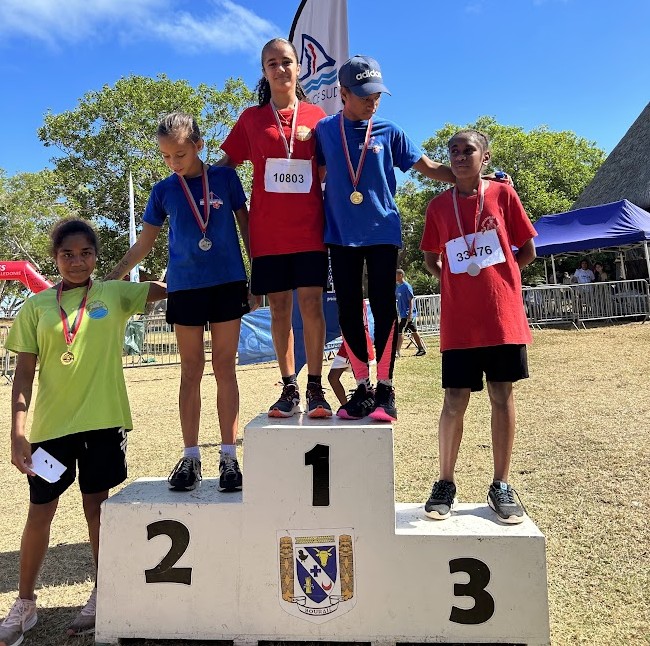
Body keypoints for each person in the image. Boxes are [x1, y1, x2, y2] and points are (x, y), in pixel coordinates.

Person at [0, 218, 166, 644]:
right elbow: (23, 377)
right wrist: (17, 433)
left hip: (103, 425)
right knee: (41, 511)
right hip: (51, 430)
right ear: (55, 258)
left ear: (96, 256)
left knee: (98, 509)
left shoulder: (114, 293)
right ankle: (25, 603)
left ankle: (102, 591)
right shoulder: (36, 307)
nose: (77, 262)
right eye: (67, 254)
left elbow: (167, 291)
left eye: (85, 253)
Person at [106, 112, 251, 493]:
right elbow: (144, 244)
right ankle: (190, 456)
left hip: (228, 281)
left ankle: (229, 458)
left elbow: (246, 226)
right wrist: (111, 278)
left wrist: (259, 274)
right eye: (166, 156)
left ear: (199, 146)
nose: (173, 163)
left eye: (180, 155)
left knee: (225, 367)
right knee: (190, 370)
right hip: (184, 287)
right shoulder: (163, 191)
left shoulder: (225, 178)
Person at [315, 55, 458, 422]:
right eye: (365, 95)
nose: (373, 102)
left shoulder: (390, 131)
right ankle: (361, 388)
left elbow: (429, 168)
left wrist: (473, 176)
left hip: (382, 232)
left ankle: (386, 388)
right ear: (343, 93)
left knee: (383, 307)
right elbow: (310, 175)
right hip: (340, 235)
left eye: (377, 95)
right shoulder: (325, 131)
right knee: (348, 309)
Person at [419, 129, 537, 524]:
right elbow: (431, 259)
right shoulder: (438, 206)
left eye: (468, 150)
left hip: (502, 318)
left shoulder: (503, 194)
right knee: (454, 401)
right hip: (459, 321)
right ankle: (445, 483)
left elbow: (527, 249)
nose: (459, 156)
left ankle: (501, 484)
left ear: (484, 158)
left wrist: (501, 280)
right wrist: (456, 282)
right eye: (453, 150)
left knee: (502, 396)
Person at [219, 37, 332, 420]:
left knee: (312, 305)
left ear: (298, 67)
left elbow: (331, 167)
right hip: (268, 234)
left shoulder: (317, 116)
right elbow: (226, 165)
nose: (280, 69)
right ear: (264, 72)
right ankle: (288, 387)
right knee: (279, 308)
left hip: (310, 230)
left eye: (286, 61)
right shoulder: (252, 119)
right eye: (272, 63)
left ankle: (315, 387)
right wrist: (195, 181)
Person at [328, 302, 376, 405]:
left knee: (363, 382)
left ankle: (370, 403)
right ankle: (346, 406)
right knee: (332, 377)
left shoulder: (355, 299)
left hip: (358, 340)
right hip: (348, 341)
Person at [395, 269, 426, 357]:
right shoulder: (398, 287)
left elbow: (411, 299)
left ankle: (397, 352)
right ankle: (421, 349)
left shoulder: (407, 286)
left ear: (401, 275)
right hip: (402, 313)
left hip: (407, 313)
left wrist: (410, 313)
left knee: (400, 331)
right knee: (414, 330)